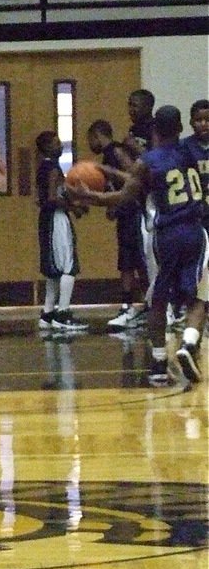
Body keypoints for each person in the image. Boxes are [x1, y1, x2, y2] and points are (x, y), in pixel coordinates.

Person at [73, 105, 207, 385]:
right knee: (198, 297)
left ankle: (158, 362)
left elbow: (126, 195)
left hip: (166, 235)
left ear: (155, 130)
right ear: (182, 128)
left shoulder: (149, 161)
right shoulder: (191, 152)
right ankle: (189, 343)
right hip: (196, 232)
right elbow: (148, 180)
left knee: (158, 300)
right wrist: (111, 169)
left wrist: (91, 197)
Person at [86, 120, 146, 329]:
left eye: (90, 140)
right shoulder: (107, 156)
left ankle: (149, 305)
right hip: (125, 214)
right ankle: (127, 304)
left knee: (139, 261)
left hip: (136, 213)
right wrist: (113, 206)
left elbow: (135, 179)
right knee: (126, 262)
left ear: (97, 135)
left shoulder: (117, 152)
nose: (89, 145)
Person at [35, 130, 88, 334]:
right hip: (55, 219)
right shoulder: (51, 168)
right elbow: (50, 198)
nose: (60, 145)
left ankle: (48, 313)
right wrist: (73, 207)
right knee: (68, 265)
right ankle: (63, 313)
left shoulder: (46, 167)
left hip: (49, 220)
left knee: (54, 268)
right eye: (56, 143)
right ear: (46, 147)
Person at [124, 88, 155, 158]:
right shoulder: (134, 129)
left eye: (135, 106)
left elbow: (158, 160)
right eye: (129, 105)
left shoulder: (156, 129)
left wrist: (135, 147)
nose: (130, 110)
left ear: (148, 107)